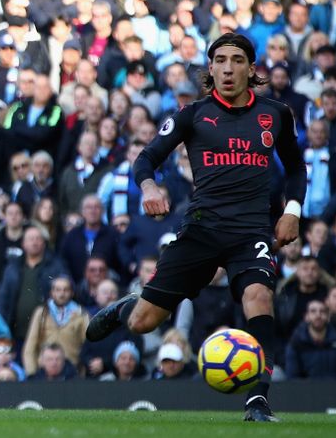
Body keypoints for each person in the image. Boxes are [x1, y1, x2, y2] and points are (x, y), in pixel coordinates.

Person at [85, 34, 306, 422]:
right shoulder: (192, 114)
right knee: (142, 323)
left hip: (251, 232)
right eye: (219, 60)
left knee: (259, 297)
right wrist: (149, 187)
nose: (227, 68)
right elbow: (145, 158)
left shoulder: (276, 114)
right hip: (201, 230)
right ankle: (126, 307)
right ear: (210, 68)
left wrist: (293, 211)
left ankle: (258, 400)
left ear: (251, 69)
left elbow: (296, 168)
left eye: (237, 60)